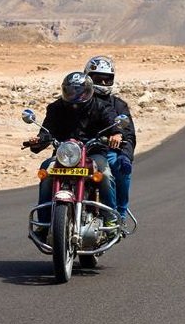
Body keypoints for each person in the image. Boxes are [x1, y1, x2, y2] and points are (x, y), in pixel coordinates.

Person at [25, 71, 122, 236]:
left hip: (93, 152)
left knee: (105, 174)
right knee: (46, 171)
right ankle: (43, 222)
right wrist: (39, 139)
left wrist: (115, 133)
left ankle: (110, 218)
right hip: (66, 155)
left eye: (79, 91)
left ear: (88, 91)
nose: (74, 95)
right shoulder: (56, 108)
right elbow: (47, 130)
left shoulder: (100, 106)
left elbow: (113, 123)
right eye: (70, 91)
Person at [84, 56, 136, 220]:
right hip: (77, 150)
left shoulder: (118, 105)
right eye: (99, 79)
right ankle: (49, 216)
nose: (104, 83)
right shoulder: (78, 100)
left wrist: (125, 155)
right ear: (88, 77)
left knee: (120, 167)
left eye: (108, 79)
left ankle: (118, 214)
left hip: (107, 150)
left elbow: (128, 133)